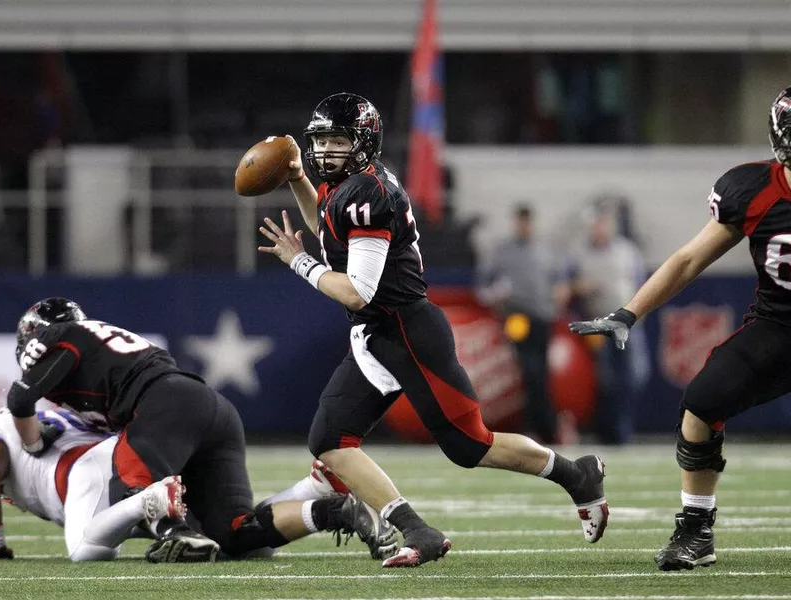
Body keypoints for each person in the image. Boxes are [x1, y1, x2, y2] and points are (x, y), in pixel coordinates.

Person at [257, 92, 609, 568]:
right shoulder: (345, 188)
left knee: (471, 447)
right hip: (376, 334)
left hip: (407, 333)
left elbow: (357, 290)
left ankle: (577, 475)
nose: (325, 152)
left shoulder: (367, 194)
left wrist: (297, 261)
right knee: (331, 440)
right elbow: (327, 227)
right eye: (320, 141)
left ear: (363, 143)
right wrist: (298, 178)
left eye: (337, 141)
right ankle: (418, 531)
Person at [569, 86, 791, 571]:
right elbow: (688, 259)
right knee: (702, 403)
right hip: (780, 325)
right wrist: (629, 312)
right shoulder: (754, 189)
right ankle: (696, 530)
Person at [7, 297, 396, 562]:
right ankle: (331, 508)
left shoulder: (58, 337)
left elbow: (20, 400)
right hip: (209, 409)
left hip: (164, 406)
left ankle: (174, 533)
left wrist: (35, 442)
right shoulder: (101, 343)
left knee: (132, 493)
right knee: (235, 536)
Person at [0, 406, 390, 561]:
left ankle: (149, 502)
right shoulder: (45, 406)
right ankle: (315, 491)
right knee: (238, 542)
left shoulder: (1, 423)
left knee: (87, 550)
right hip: (122, 457)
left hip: (88, 475)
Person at [560, 197, 650, 445]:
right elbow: (564, 290)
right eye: (596, 223)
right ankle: (611, 433)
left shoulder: (627, 251)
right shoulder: (578, 253)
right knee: (605, 381)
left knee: (636, 376)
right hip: (598, 325)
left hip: (629, 324)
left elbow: (643, 285)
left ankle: (624, 428)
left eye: (604, 222)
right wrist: (580, 290)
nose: (600, 227)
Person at [476, 203, 565, 444]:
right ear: (516, 223)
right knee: (530, 371)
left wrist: (559, 296)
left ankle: (540, 426)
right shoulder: (503, 251)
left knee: (541, 373)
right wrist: (496, 294)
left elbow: (558, 281)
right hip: (517, 317)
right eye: (521, 222)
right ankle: (542, 426)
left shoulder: (544, 250)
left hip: (543, 317)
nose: (524, 226)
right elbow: (483, 287)